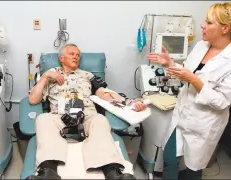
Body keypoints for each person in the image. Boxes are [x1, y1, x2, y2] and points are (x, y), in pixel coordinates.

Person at [28, 43, 146, 179]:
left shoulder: (87, 75)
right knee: (43, 119)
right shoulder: (50, 76)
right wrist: (45, 77)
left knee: (101, 120)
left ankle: (113, 173)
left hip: (87, 116)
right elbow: (33, 100)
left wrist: (129, 102)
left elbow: (104, 93)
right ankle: (48, 173)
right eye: (71, 54)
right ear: (61, 58)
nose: (76, 57)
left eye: (78, 55)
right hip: (59, 117)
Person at [147, 2, 231, 180]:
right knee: (169, 159)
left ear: (225, 29)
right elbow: (188, 71)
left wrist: (194, 80)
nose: (203, 25)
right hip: (182, 114)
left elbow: (222, 102)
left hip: (204, 123)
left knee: (194, 169)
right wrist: (170, 64)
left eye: (209, 22)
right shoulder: (201, 45)